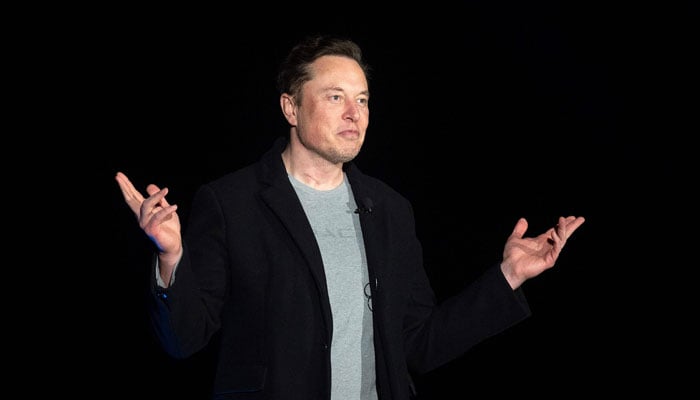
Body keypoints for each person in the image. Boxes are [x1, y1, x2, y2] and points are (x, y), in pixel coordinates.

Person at [115, 34, 585, 400]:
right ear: (290, 107)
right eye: (335, 97)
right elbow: (184, 340)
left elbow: (418, 344)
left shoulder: (391, 211)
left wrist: (507, 277)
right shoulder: (231, 202)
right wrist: (172, 257)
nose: (354, 113)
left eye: (362, 99)